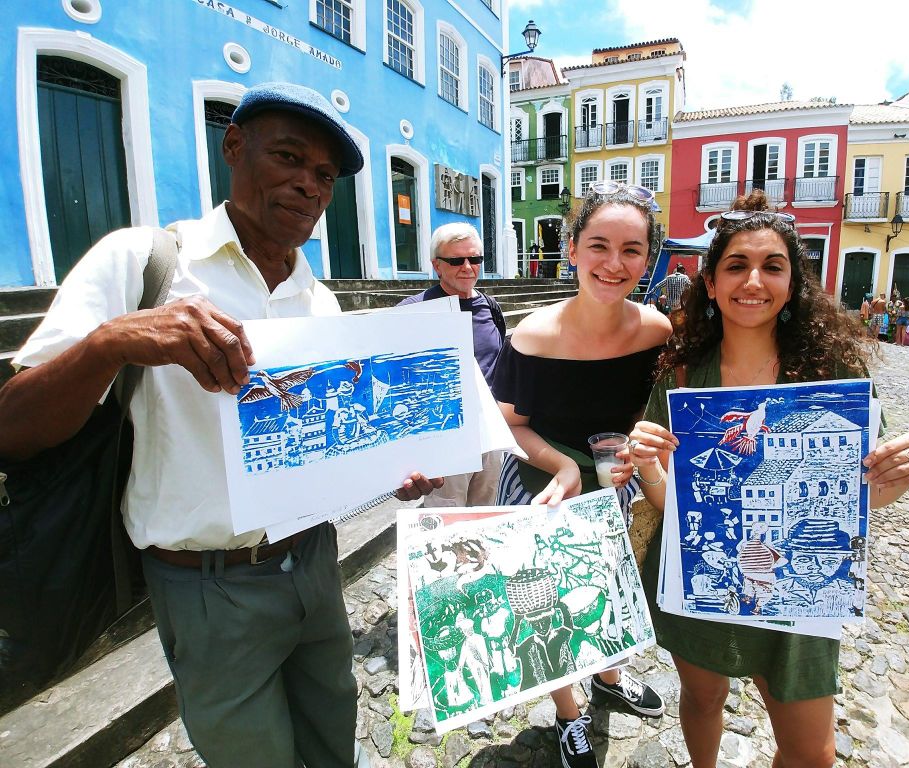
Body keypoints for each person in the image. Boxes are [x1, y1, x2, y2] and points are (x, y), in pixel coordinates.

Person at [0, 82, 441, 767]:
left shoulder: (319, 303)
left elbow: (327, 449)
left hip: (314, 568)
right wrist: (113, 341)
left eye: (323, 176)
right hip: (207, 587)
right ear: (234, 146)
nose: (307, 186)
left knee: (334, 744)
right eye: (288, 157)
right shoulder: (145, 263)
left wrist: (394, 471)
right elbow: (13, 428)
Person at [626, 190, 909, 768]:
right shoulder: (685, 373)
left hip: (804, 584)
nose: (753, 280)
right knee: (704, 695)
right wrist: (644, 459)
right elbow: (675, 500)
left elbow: (860, 495)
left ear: (793, 284)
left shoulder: (831, 374)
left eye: (773, 266)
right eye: (736, 265)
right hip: (705, 574)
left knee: (811, 751)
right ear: (712, 284)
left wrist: (905, 471)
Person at [491, 180, 670, 768]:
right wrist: (565, 464)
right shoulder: (533, 336)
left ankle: (610, 679)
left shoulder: (656, 331)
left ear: (649, 259)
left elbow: (655, 409)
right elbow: (509, 426)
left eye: (631, 250)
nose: (613, 264)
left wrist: (636, 456)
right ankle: (570, 715)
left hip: (613, 475)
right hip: (544, 476)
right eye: (598, 245)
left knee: (613, 586)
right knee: (549, 599)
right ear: (571, 249)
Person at [398, 223, 506, 507]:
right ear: (437, 266)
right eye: (456, 260)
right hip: (445, 435)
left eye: (475, 259)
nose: (468, 267)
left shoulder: (490, 307)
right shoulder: (413, 311)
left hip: (490, 436)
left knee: (488, 516)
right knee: (447, 521)